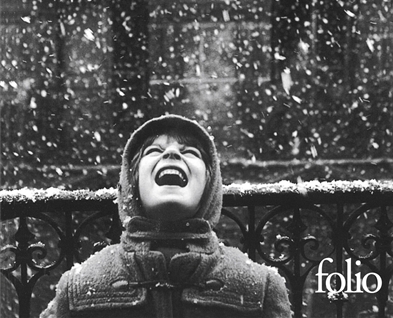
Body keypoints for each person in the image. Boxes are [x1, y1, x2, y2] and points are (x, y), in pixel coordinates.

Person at [41, 114, 292, 317]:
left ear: (210, 184)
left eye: (191, 152)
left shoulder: (260, 287)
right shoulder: (77, 289)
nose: (172, 153)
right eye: (153, 150)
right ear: (132, 181)